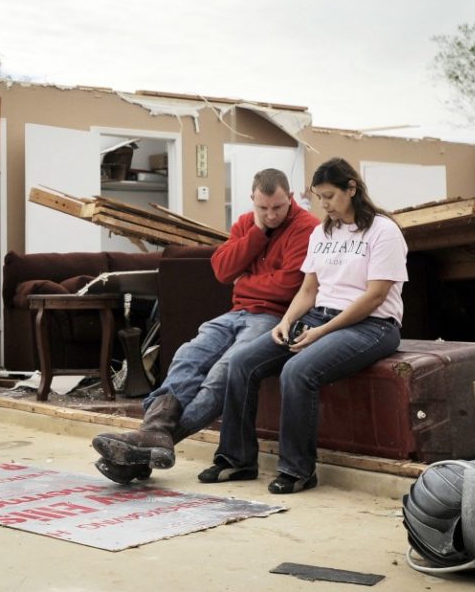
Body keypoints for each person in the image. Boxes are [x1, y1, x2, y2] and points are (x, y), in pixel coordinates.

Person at [91, 168, 318, 484]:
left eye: (278, 207)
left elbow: (287, 287)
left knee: (222, 373)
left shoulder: (307, 228)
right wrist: (256, 234)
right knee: (187, 355)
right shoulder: (245, 224)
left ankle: (147, 445)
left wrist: (246, 281)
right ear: (252, 200)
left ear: (290, 198)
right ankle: (153, 436)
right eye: (262, 208)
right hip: (235, 314)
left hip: (276, 318)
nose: (271, 215)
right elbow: (223, 271)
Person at [199, 157, 408, 494]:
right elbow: (309, 289)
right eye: (319, 198)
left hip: (372, 326)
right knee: (242, 362)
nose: (324, 205)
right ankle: (236, 460)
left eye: (330, 196)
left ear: (351, 189)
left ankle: (298, 471)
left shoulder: (383, 230)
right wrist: (286, 322)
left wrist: (322, 332)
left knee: (297, 371)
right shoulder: (323, 232)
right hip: (318, 316)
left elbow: (374, 297)